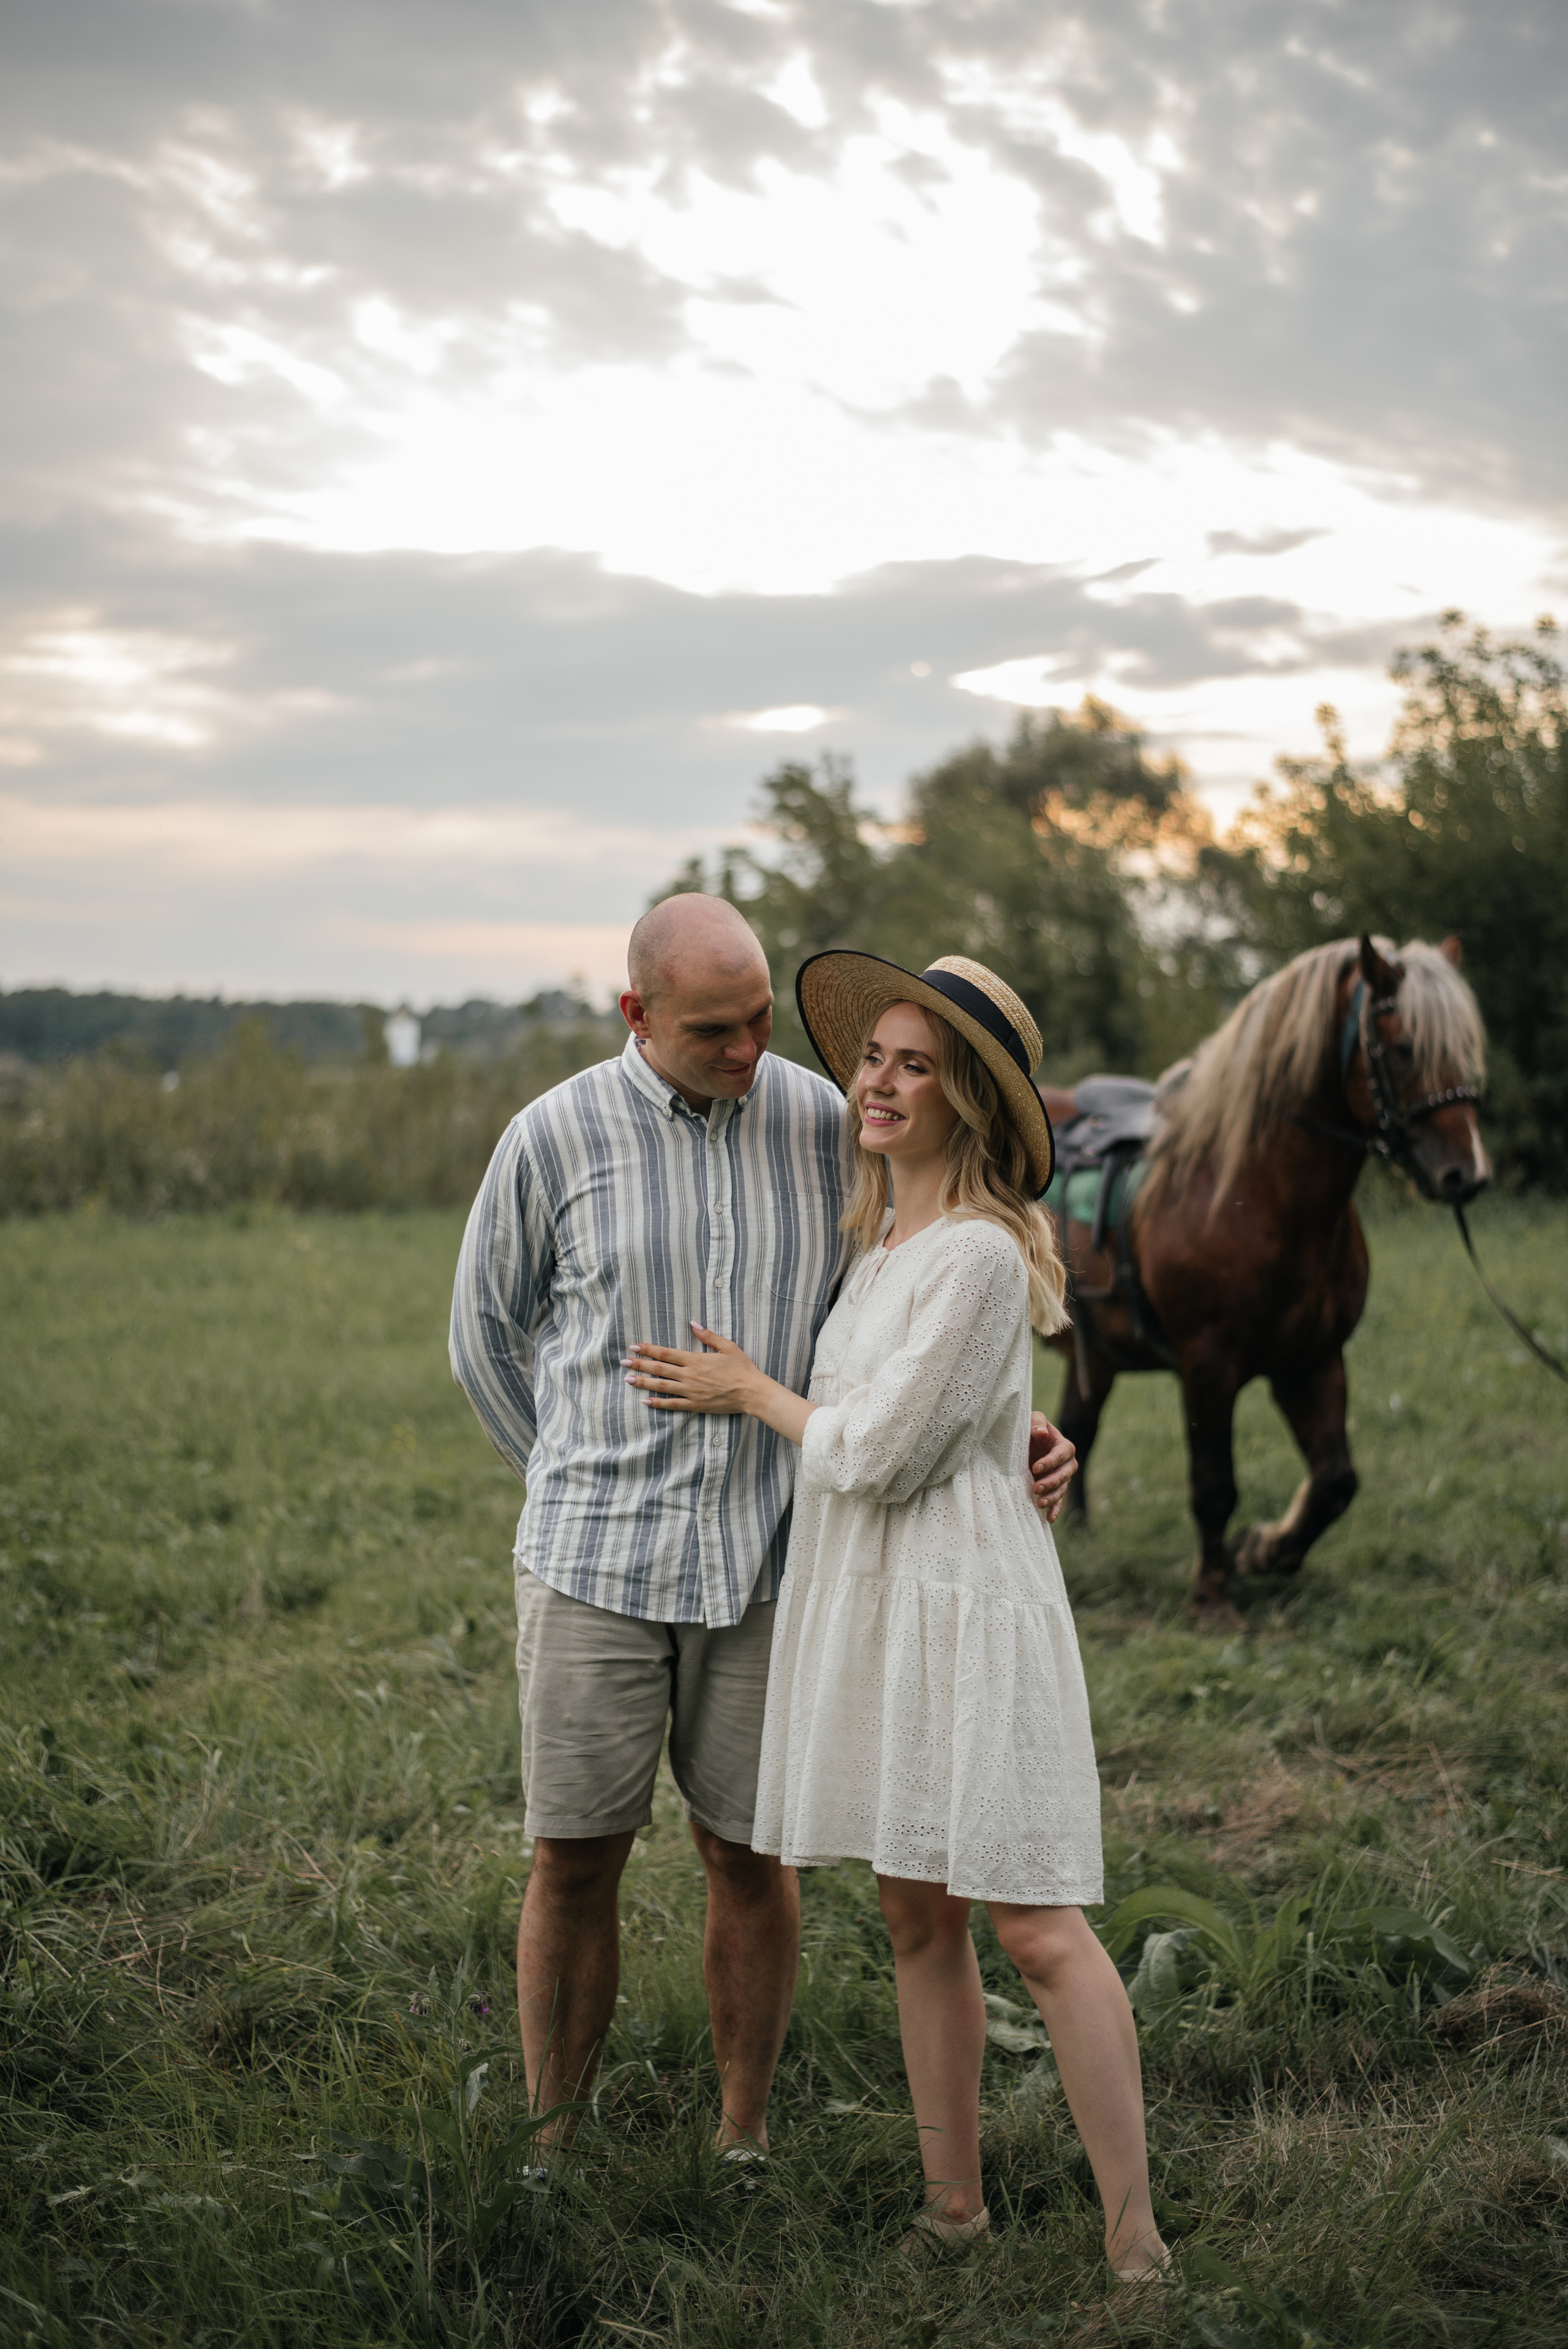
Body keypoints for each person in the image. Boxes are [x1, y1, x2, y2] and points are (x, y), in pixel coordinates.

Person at [449, 899, 1079, 2160]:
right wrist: (574, 1477)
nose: (747, 1051)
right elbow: (484, 1341)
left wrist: (998, 1419)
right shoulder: (550, 1137)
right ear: (637, 1015)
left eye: (757, 1023)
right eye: (712, 1032)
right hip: (591, 1567)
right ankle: (552, 2147)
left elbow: (909, 1303)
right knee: (573, 1859)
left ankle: (742, 2139)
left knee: (746, 1856)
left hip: (768, 1564)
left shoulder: (822, 1121)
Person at [625, 950, 1167, 2283]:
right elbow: (931, 1414)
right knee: (915, 1922)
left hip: (968, 1614)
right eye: (874, 1057)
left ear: (965, 1100)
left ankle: (1137, 2245)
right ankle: (952, 2208)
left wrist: (751, 1392)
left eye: (914, 1066)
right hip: (881, 1609)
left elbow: (874, 1451)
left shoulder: (976, 1254)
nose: (877, 1082)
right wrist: (1015, 1428)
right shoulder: (876, 1249)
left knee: (1035, 1926)